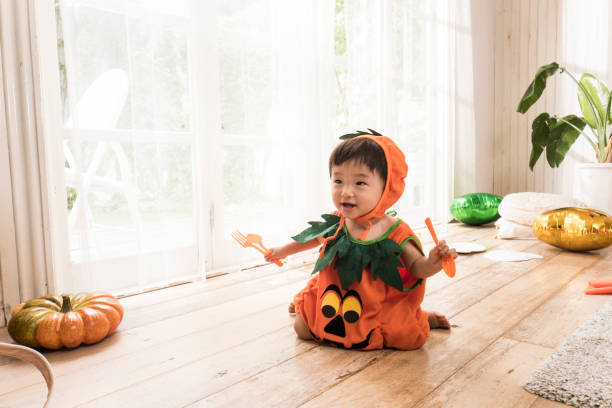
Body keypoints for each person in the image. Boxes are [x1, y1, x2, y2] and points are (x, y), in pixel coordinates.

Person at [265, 131, 457, 350]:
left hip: (377, 307)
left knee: (403, 336)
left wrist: (433, 262)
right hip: (334, 301)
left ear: (386, 188)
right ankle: (312, 304)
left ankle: (422, 317)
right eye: (338, 181)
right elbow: (310, 239)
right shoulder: (337, 222)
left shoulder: (395, 232)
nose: (346, 192)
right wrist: (281, 251)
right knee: (302, 329)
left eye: (359, 183)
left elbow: (416, 267)